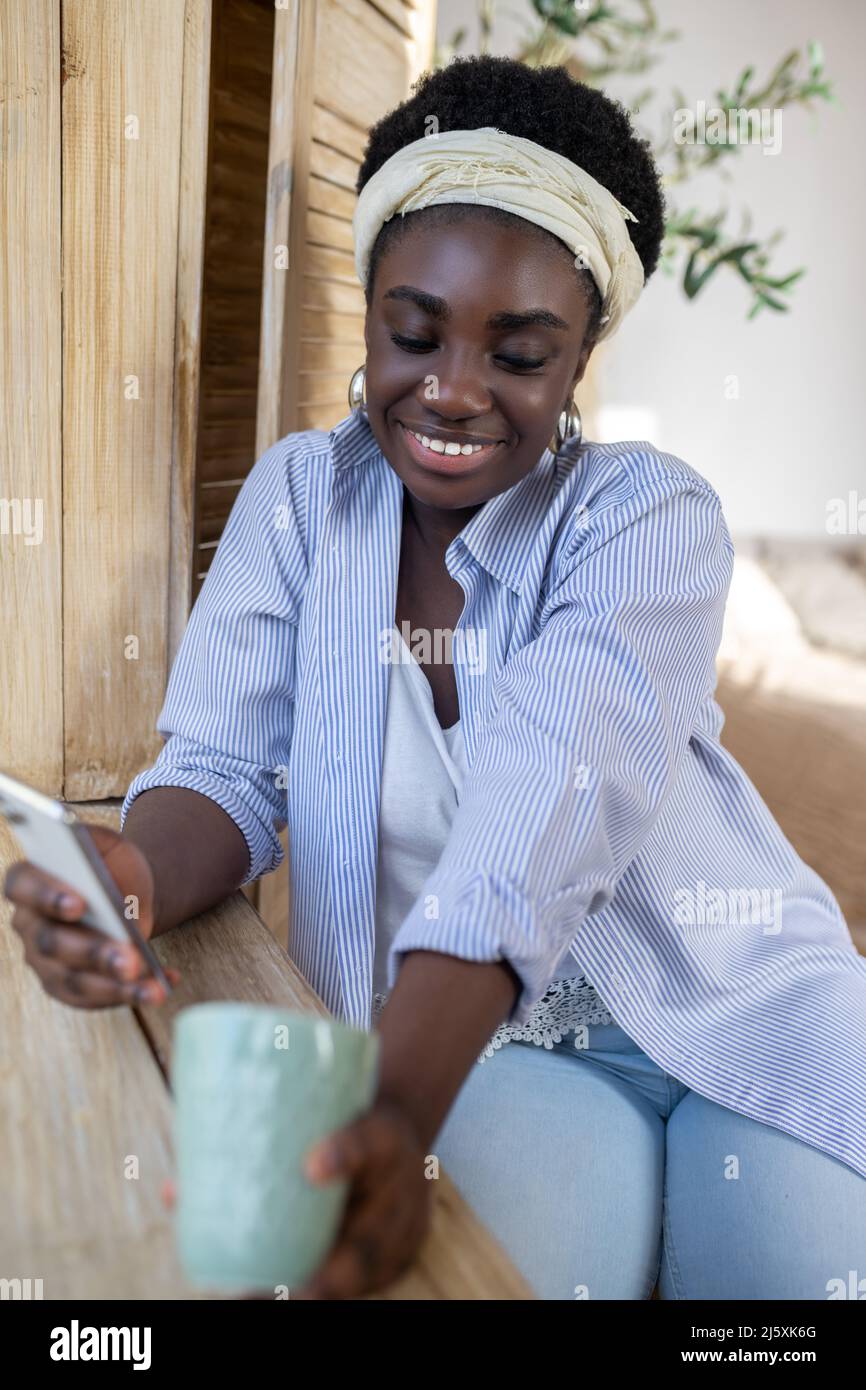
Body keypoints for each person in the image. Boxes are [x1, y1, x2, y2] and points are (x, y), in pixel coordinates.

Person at [6, 56, 866, 1302]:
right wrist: (133, 875)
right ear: (367, 311)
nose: (452, 390)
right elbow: (220, 775)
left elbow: (544, 797)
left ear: (579, 361)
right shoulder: (302, 502)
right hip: (489, 1054)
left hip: (743, 1011)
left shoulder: (646, 516)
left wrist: (393, 1105)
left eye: (519, 353)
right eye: (415, 333)